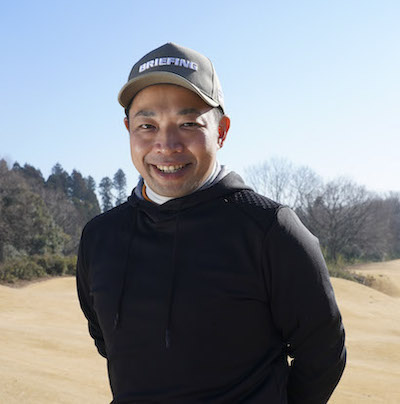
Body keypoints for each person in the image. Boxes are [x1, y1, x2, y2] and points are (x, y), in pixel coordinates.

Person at [76, 42, 346, 404]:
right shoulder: (99, 236)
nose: (166, 144)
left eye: (188, 123)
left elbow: (324, 351)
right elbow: (107, 341)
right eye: (147, 125)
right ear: (128, 129)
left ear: (221, 131)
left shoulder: (270, 229)